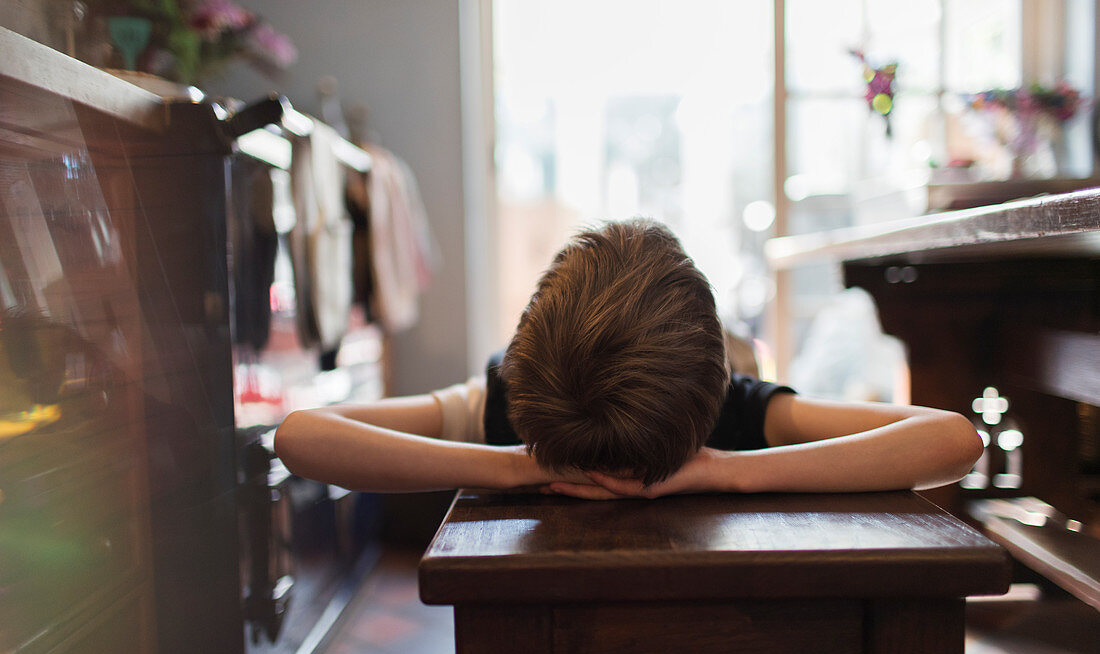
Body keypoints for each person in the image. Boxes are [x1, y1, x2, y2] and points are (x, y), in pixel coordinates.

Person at [274, 218, 982, 500]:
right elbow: (301, 437)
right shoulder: (513, 397)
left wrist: (723, 471)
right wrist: (518, 462)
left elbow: (952, 441)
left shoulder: (732, 410)